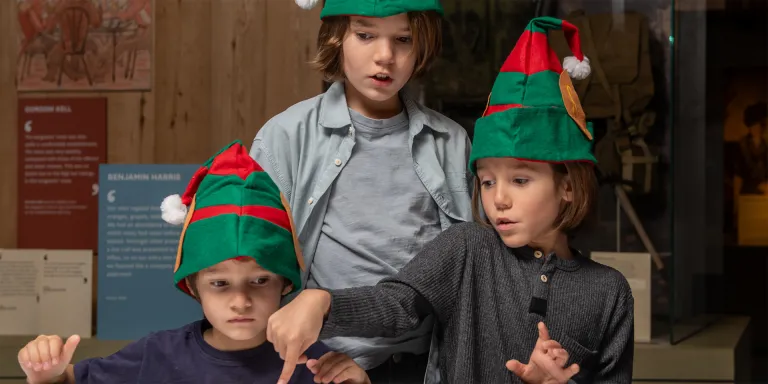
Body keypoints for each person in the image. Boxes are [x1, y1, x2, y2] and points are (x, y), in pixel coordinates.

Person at [266, 17, 634, 384]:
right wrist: (324, 303)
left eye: (520, 180)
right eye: (486, 182)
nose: (499, 199)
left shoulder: (609, 291)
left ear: (568, 186)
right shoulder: (467, 248)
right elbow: (397, 303)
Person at [17, 141, 369, 384]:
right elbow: (65, 379)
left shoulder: (312, 362)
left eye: (259, 280)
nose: (241, 300)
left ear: (285, 283)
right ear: (193, 286)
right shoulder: (154, 355)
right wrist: (45, 371)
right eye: (220, 283)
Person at [250, 0, 472, 382]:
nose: (385, 56)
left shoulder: (450, 142)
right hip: (322, 362)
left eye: (403, 39)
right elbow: (257, 266)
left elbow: (467, 267)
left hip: (425, 364)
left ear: (422, 45)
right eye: (365, 35)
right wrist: (315, 358)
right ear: (337, 38)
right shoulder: (285, 137)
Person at [738, 102, 768, 195]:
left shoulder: (765, 145)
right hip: (748, 190)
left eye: (757, 125)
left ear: (762, 126)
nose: (755, 128)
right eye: (752, 125)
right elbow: (738, 175)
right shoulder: (742, 146)